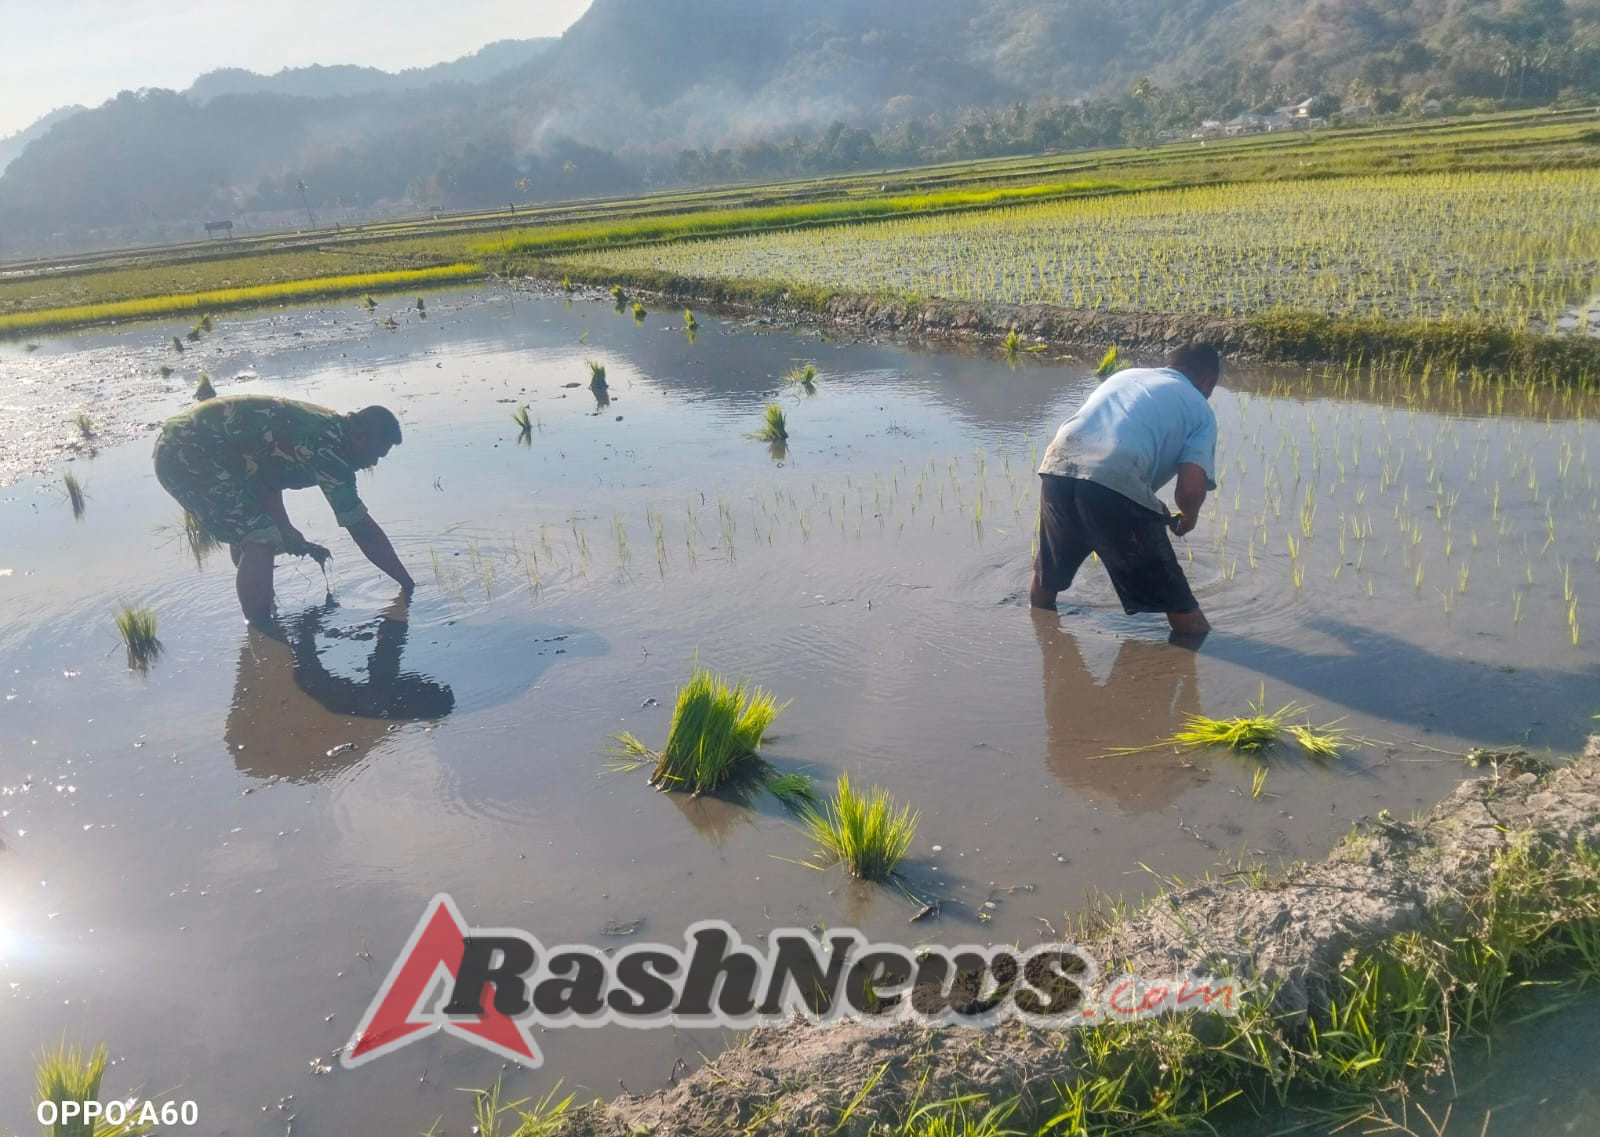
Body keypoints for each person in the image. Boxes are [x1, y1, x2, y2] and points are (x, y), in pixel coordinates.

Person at [153, 395, 415, 623]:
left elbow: (267, 470)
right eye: (376, 453)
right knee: (260, 535)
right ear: (359, 437)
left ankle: (264, 609)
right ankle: (262, 628)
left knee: (258, 530)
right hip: (188, 453)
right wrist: (407, 583)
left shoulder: (329, 424)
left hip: (196, 447)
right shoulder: (330, 450)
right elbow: (363, 531)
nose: (374, 462)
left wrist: (285, 526)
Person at [1030, 344, 1220, 636]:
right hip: (1114, 477)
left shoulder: (1126, 376)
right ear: (1208, 381)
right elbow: (1191, 489)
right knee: (1184, 612)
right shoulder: (1200, 408)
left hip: (1058, 464)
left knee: (1047, 578)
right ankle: (1192, 662)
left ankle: (1045, 642)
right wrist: (1189, 518)